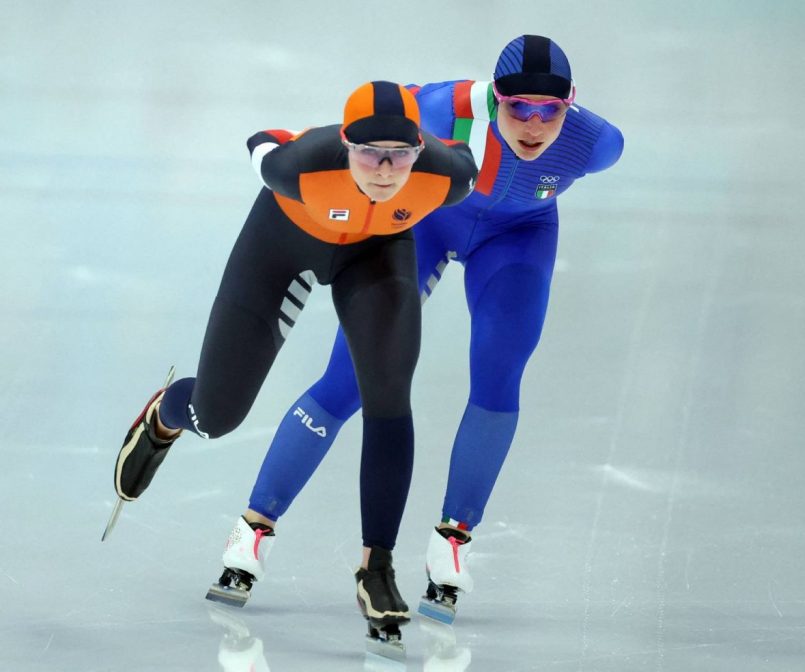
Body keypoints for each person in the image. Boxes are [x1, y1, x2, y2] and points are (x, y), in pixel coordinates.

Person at [210, 35, 624, 623]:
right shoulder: (439, 111)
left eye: (549, 111)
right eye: (518, 109)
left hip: (518, 239)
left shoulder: (598, 144)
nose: (534, 125)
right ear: (494, 99)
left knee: (500, 371)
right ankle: (255, 527)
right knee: (350, 378)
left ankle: (453, 540)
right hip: (426, 226)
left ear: (570, 105)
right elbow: (361, 132)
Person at [111, 80, 477, 653]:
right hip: (281, 244)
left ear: (419, 153)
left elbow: (471, 153)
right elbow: (263, 140)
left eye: (400, 155)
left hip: (374, 255)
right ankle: (170, 413)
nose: (385, 170)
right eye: (369, 153)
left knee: (387, 395)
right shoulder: (298, 166)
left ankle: (375, 568)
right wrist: (288, 141)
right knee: (217, 416)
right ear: (345, 144)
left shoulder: (446, 177)